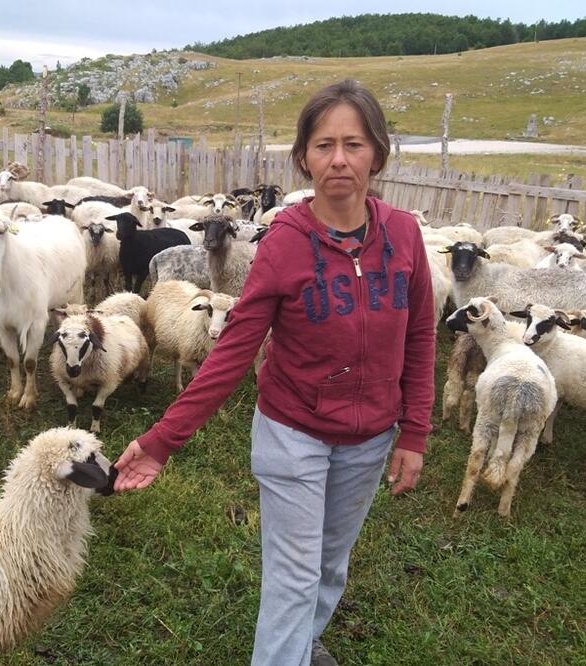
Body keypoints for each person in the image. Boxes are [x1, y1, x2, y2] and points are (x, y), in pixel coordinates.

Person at [113, 80, 436, 666]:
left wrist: (413, 432)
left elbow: (420, 338)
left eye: (355, 144)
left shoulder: (405, 236)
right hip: (294, 436)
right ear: (303, 158)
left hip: (368, 440)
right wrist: (162, 441)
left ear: (378, 154)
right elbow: (235, 348)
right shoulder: (285, 242)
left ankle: (302, 647)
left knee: (331, 563)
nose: (339, 159)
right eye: (324, 145)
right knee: (293, 576)